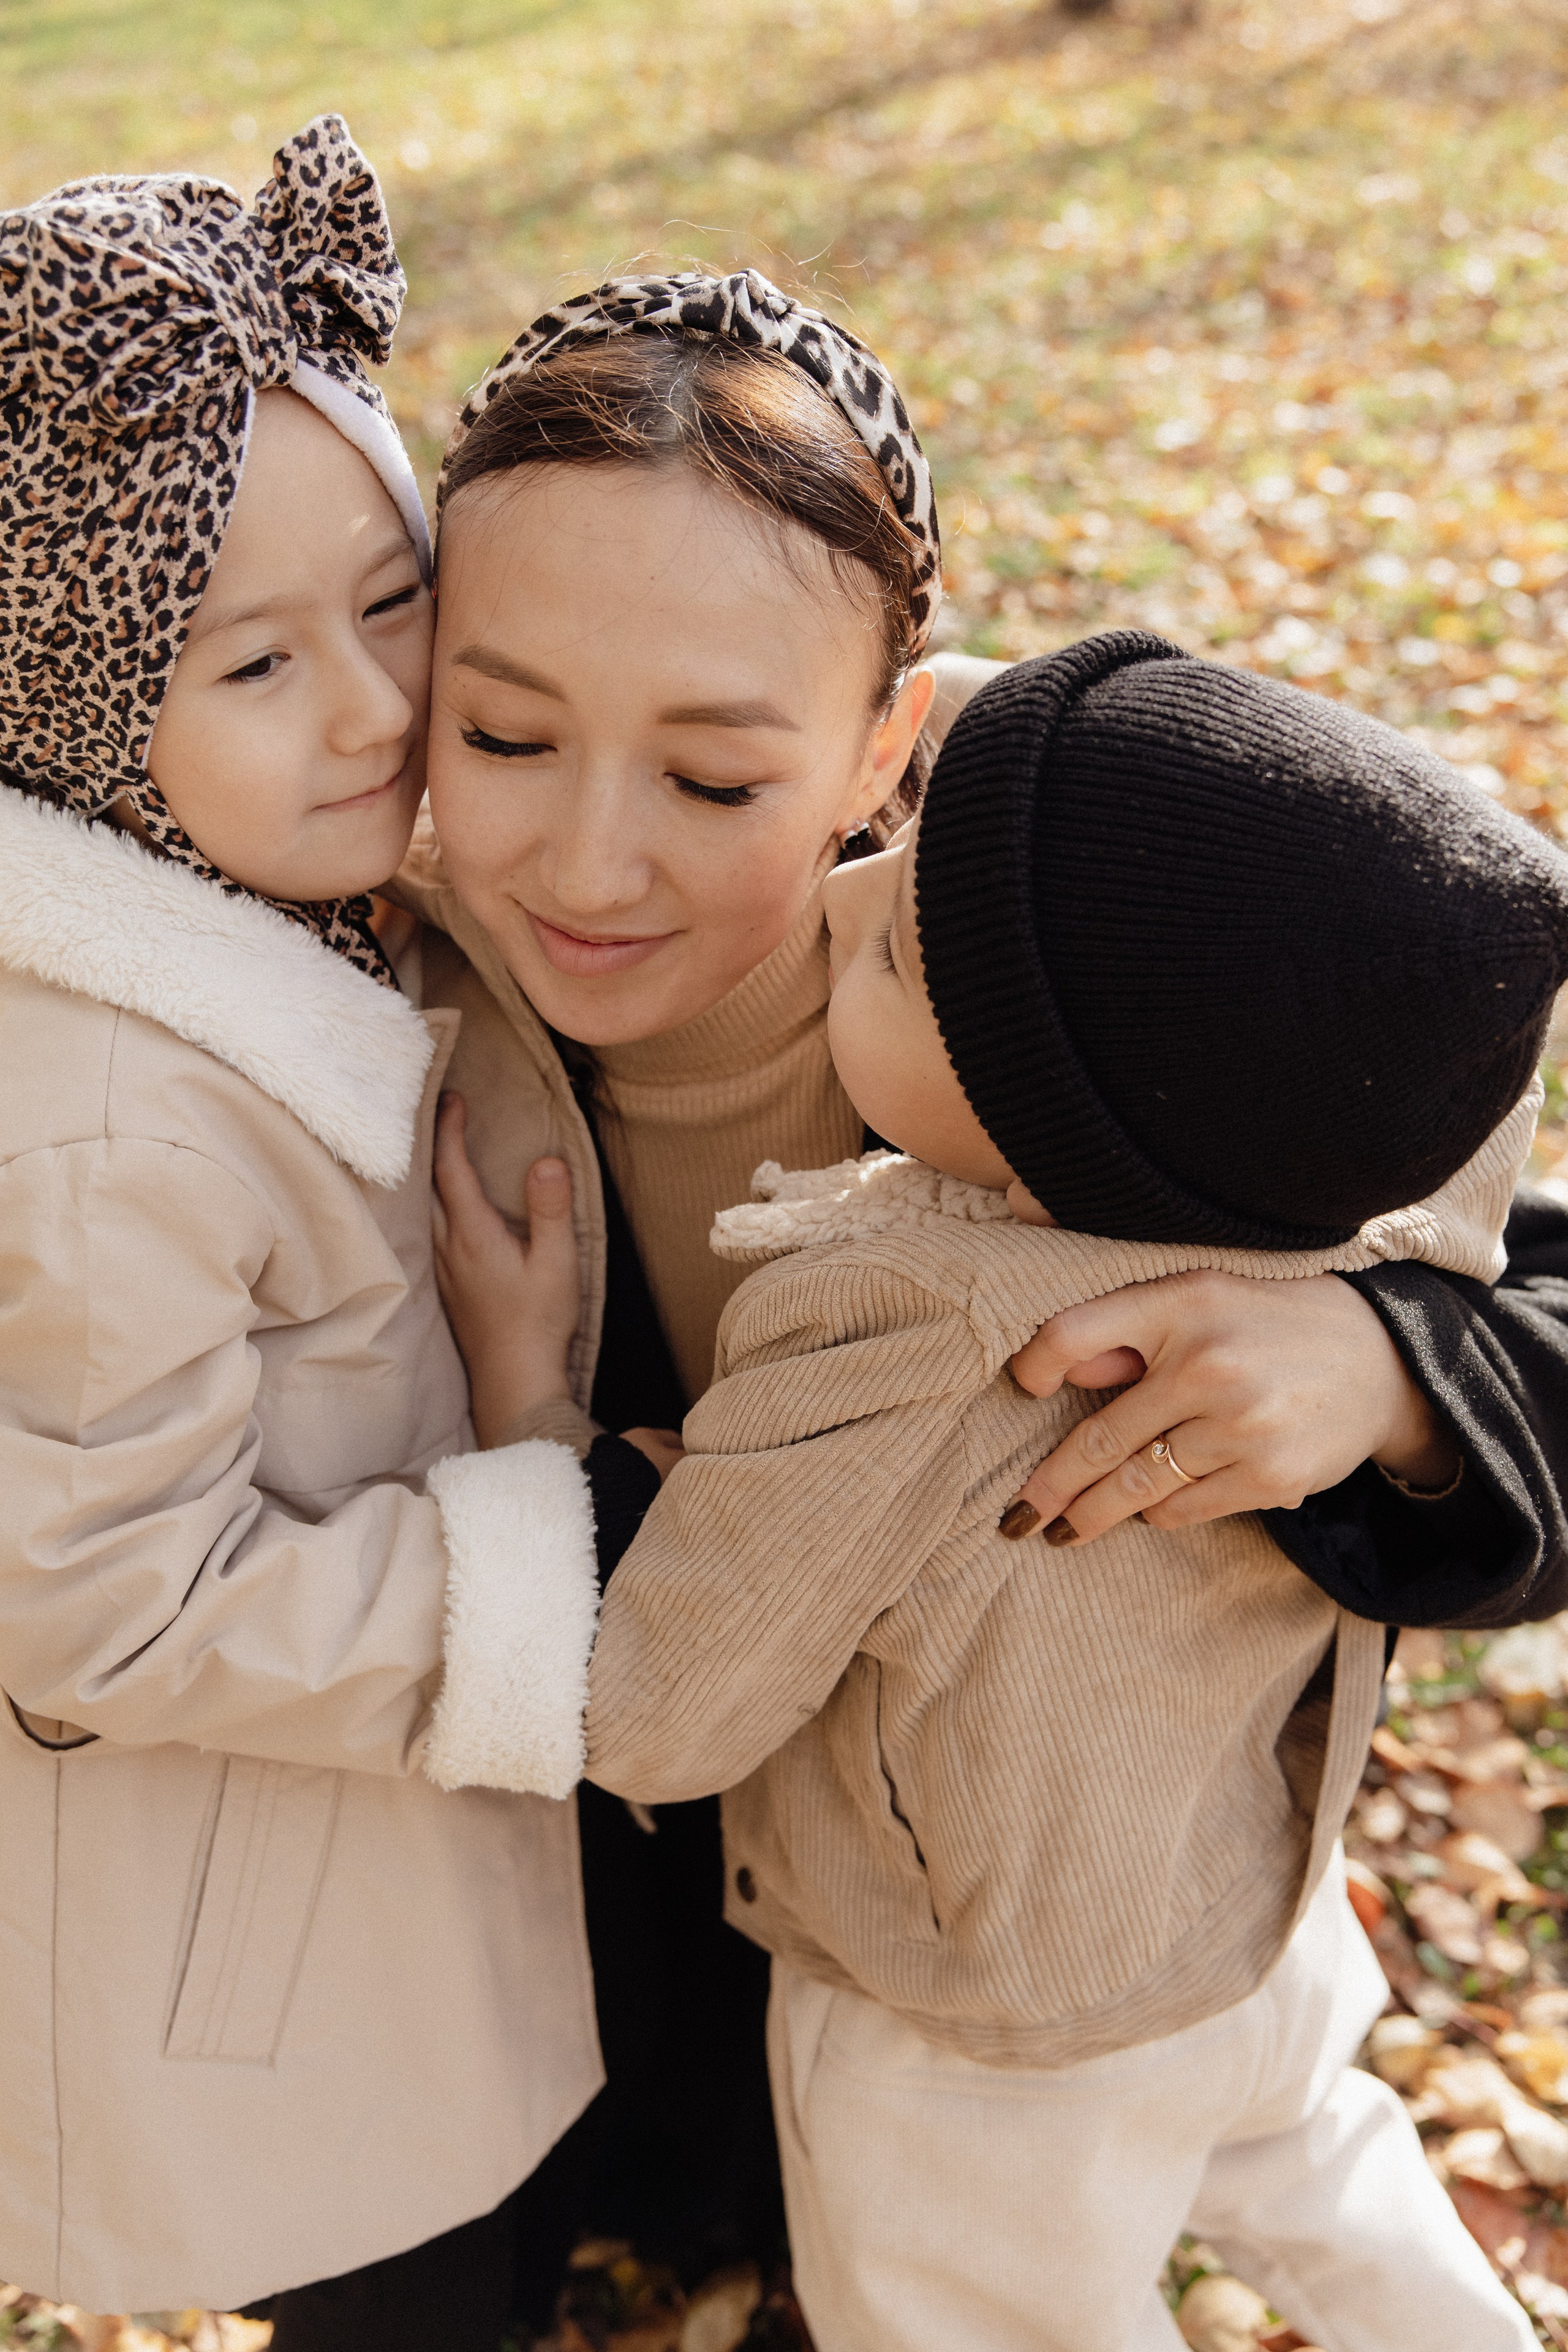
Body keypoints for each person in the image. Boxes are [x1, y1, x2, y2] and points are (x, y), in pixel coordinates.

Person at [405, 269, 1568, 2329]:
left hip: (1058, 1948)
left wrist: (1391, 1366)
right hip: (652, 2010)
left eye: (715, 782)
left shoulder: (1110, 941)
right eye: (499, 734)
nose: (590, 860)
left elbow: (1473, 1123)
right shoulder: (375, 986)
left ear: (890, 747)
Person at [0, 123, 601, 2333]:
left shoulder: (307, 893)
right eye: (251, 665)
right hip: (260, 1951)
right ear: (72, 716)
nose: (371, 704)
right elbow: (104, 1604)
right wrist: (533, 1506)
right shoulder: (100, 1131)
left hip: (389, 1858)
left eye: (390, 599)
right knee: (416, 2290)